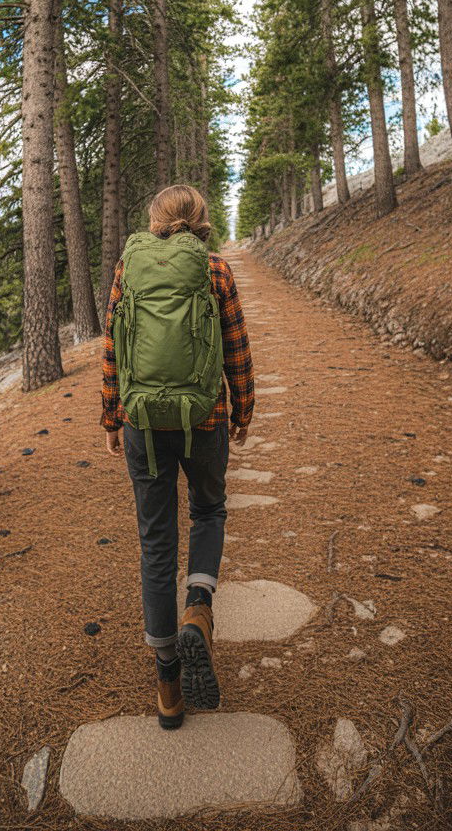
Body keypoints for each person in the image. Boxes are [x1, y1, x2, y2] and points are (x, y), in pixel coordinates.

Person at [101, 184, 254, 729]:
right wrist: (243, 409)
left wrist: (111, 413)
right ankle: (198, 608)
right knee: (208, 511)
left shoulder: (129, 267)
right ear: (201, 220)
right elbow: (235, 343)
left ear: (157, 220)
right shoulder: (215, 270)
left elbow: (114, 343)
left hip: (143, 419)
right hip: (203, 418)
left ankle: (168, 684)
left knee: (155, 540)